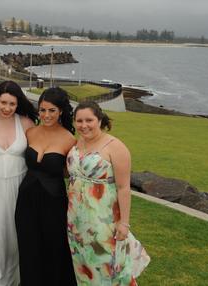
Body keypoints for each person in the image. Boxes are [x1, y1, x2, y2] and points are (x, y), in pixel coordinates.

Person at [66, 101, 139, 285]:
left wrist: (124, 224)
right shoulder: (77, 143)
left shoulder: (115, 147)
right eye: (79, 121)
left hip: (103, 223)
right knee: (83, 267)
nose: (84, 125)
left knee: (106, 268)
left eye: (89, 120)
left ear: (99, 120)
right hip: (75, 221)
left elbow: (123, 188)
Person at [15, 87, 77, 286]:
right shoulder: (30, 132)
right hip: (26, 200)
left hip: (54, 203)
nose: (46, 115)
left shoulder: (70, 139)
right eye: (42, 110)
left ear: (61, 112)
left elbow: (71, 174)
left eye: (52, 110)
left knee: (54, 249)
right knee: (28, 248)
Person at [0, 81, 36, 286]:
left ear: (18, 103)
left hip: (19, 187)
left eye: (12, 104)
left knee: (14, 237)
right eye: (3, 102)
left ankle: (14, 279)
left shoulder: (27, 123)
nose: (7, 108)